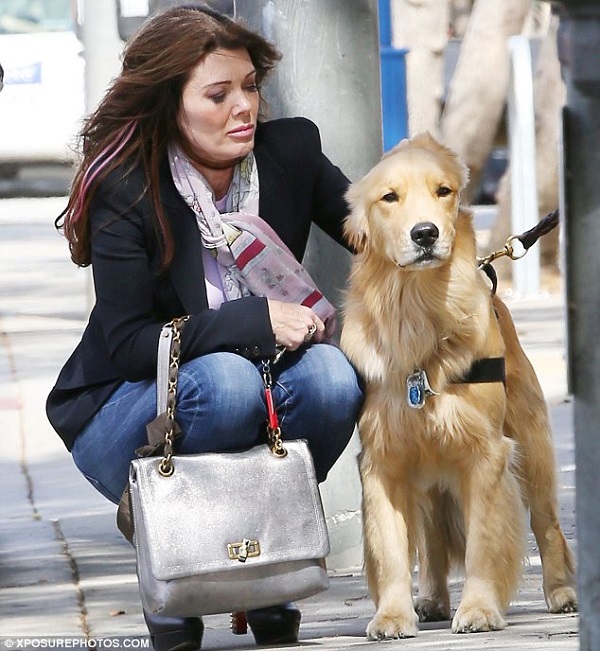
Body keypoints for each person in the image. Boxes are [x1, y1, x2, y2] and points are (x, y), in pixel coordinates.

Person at [46, 4, 364, 650]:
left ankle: (266, 564)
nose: (243, 106)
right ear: (171, 105)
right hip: (126, 409)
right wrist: (253, 320)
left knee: (333, 375)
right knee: (225, 381)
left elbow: (372, 231)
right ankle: (173, 567)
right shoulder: (128, 187)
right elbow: (132, 342)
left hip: (251, 389)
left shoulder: (291, 151)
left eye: (249, 87)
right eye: (218, 94)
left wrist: (450, 244)